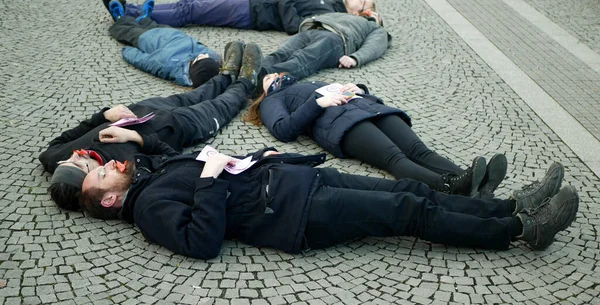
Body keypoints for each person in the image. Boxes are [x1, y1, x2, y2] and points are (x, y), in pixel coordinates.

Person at [78, 142, 578, 259]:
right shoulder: (146, 210)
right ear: (106, 203)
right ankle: (520, 232)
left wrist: (271, 155)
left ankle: (510, 206)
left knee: (413, 190)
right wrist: (209, 178)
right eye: (101, 173)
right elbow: (201, 241)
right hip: (295, 215)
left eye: (101, 163)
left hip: (294, 181)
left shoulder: (152, 173)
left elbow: (218, 162)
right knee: (410, 212)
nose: (109, 164)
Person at [39, 41, 263, 211]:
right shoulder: (118, 176)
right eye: (80, 165)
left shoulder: (53, 156)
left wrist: (105, 114)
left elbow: (64, 139)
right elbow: (169, 161)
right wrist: (134, 138)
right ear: (89, 183)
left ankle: (226, 76)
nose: (76, 155)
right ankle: (245, 81)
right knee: (223, 105)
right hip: (179, 126)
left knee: (200, 93)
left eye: (67, 160)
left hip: (150, 108)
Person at [244, 74, 508, 198]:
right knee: (395, 158)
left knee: (420, 151)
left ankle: (474, 181)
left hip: (371, 109)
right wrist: (319, 103)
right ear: (262, 92)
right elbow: (283, 129)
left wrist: (358, 89)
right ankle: (448, 186)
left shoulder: (310, 82)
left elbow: (355, 93)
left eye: (277, 73)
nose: (276, 75)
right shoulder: (271, 101)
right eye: (269, 77)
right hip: (341, 124)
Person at [101, 0, 375, 34]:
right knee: (189, 4)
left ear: (356, 14)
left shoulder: (328, 15)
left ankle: (127, 16)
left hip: (250, 12)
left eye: (361, 0)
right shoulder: (328, 2)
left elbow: (293, 25)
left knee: (191, 12)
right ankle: (130, 9)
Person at [107, 0, 223, 88]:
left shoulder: (168, 65)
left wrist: (127, 51)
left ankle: (120, 18)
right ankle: (144, 18)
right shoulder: (209, 61)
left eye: (201, 58)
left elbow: (143, 61)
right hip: (172, 34)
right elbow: (215, 61)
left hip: (149, 40)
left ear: (193, 65)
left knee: (130, 30)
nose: (204, 54)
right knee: (152, 25)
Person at [259, 11, 389, 82]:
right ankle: (252, 69)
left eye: (376, 15)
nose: (371, 13)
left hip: (336, 39)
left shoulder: (375, 28)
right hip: (313, 29)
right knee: (282, 53)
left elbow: (374, 45)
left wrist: (355, 58)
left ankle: (262, 77)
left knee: (303, 59)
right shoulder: (346, 14)